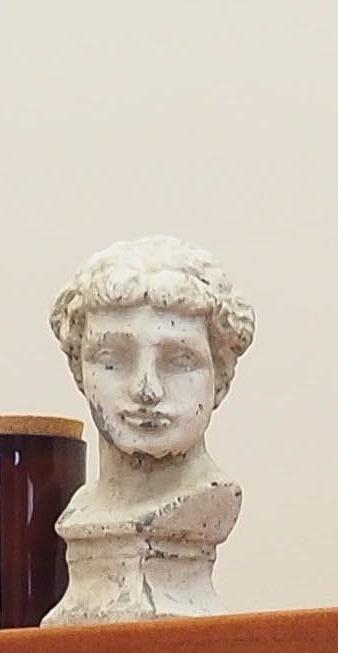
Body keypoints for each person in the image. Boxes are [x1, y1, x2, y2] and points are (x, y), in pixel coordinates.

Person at [46, 237, 252, 620]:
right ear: (79, 370)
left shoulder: (209, 500)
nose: (146, 389)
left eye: (179, 360)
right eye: (113, 359)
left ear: (220, 377)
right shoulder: (80, 510)